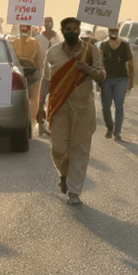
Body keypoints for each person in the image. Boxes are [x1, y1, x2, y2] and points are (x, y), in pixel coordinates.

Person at [45, 17, 105, 206]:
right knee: (58, 149)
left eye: (75, 28)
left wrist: (87, 69)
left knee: (79, 150)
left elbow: (102, 76)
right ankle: (63, 175)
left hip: (83, 108)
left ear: (80, 30)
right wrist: (39, 106)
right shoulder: (53, 53)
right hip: (59, 107)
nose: (72, 31)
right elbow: (47, 81)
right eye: (68, 28)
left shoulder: (91, 52)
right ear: (62, 31)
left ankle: (74, 191)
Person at [98, 24, 135, 141]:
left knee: (119, 106)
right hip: (106, 80)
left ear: (118, 31)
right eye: (111, 30)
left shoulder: (124, 46)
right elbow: (99, 63)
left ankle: (117, 132)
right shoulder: (103, 45)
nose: (113, 32)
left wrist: (131, 83)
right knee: (106, 107)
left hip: (121, 79)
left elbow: (131, 65)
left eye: (115, 30)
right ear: (108, 31)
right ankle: (110, 127)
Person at [11, 23, 44, 135]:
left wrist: (38, 76)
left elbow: (39, 63)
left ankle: (30, 123)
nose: (24, 31)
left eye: (26, 29)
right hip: (16, 75)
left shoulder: (35, 44)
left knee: (31, 100)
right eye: (23, 29)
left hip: (31, 76)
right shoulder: (13, 42)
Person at [36, 17, 59, 136]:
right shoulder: (39, 38)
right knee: (41, 102)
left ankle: (51, 126)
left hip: (55, 75)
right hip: (43, 75)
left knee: (54, 102)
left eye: (50, 22)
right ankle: (40, 126)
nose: (49, 24)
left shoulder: (58, 37)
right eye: (46, 22)